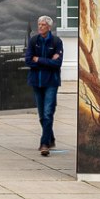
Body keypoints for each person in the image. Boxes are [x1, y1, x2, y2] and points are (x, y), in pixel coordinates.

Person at [24, 15, 63, 156]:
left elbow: (57, 63)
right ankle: (50, 138)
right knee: (42, 115)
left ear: (49, 27)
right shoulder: (34, 41)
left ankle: (44, 143)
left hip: (51, 82)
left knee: (48, 112)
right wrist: (47, 61)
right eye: (39, 24)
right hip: (36, 81)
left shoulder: (56, 42)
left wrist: (39, 59)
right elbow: (28, 60)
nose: (40, 27)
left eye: (43, 25)